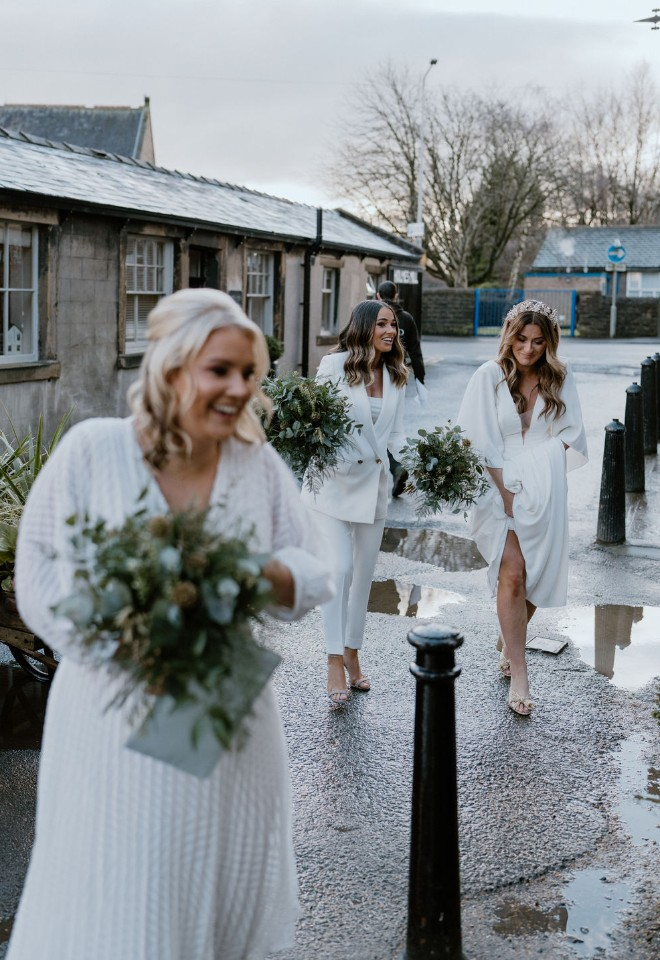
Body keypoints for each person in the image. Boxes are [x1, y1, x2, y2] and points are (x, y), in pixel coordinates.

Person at [8, 288, 334, 960]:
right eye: (222, 370)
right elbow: (37, 572)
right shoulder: (93, 450)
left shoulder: (255, 464)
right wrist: (116, 645)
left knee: (210, 882)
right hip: (111, 702)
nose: (240, 387)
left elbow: (316, 571)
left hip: (222, 704)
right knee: (119, 883)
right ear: (173, 366)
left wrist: (263, 574)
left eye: (250, 373)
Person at [456, 299, 587, 717]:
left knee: (535, 573)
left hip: (545, 485)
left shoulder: (559, 378)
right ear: (509, 336)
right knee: (511, 572)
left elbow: (573, 433)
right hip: (497, 484)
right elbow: (476, 437)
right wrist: (507, 493)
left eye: (537, 341)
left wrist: (540, 469)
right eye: (521, 339)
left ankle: (509, 638)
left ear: (549, 343)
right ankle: (520, 672)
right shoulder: (489, 377)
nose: (527, 349)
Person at [301, 298, 408, 704]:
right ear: (364, 326)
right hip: (330, 485)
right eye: (382, 323)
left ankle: (352, 653)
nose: (390, 331)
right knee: (339, 569)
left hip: (373, 489)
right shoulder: (334, 367)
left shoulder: (397, 374)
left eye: (394, 325)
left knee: (362, 577)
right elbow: (316, 421)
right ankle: (332, 658)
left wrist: (422, 468)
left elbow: (397, 435)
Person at [376, 280, 425, 497]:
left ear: (378, 295)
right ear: (396, 295)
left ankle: (395, 466)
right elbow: (415, 350)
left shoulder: (373, 316)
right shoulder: (407, 318)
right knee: (390, 424)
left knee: (382, 426)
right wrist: (421, 379)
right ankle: (396, 466)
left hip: (382, 374)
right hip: (398, 374)